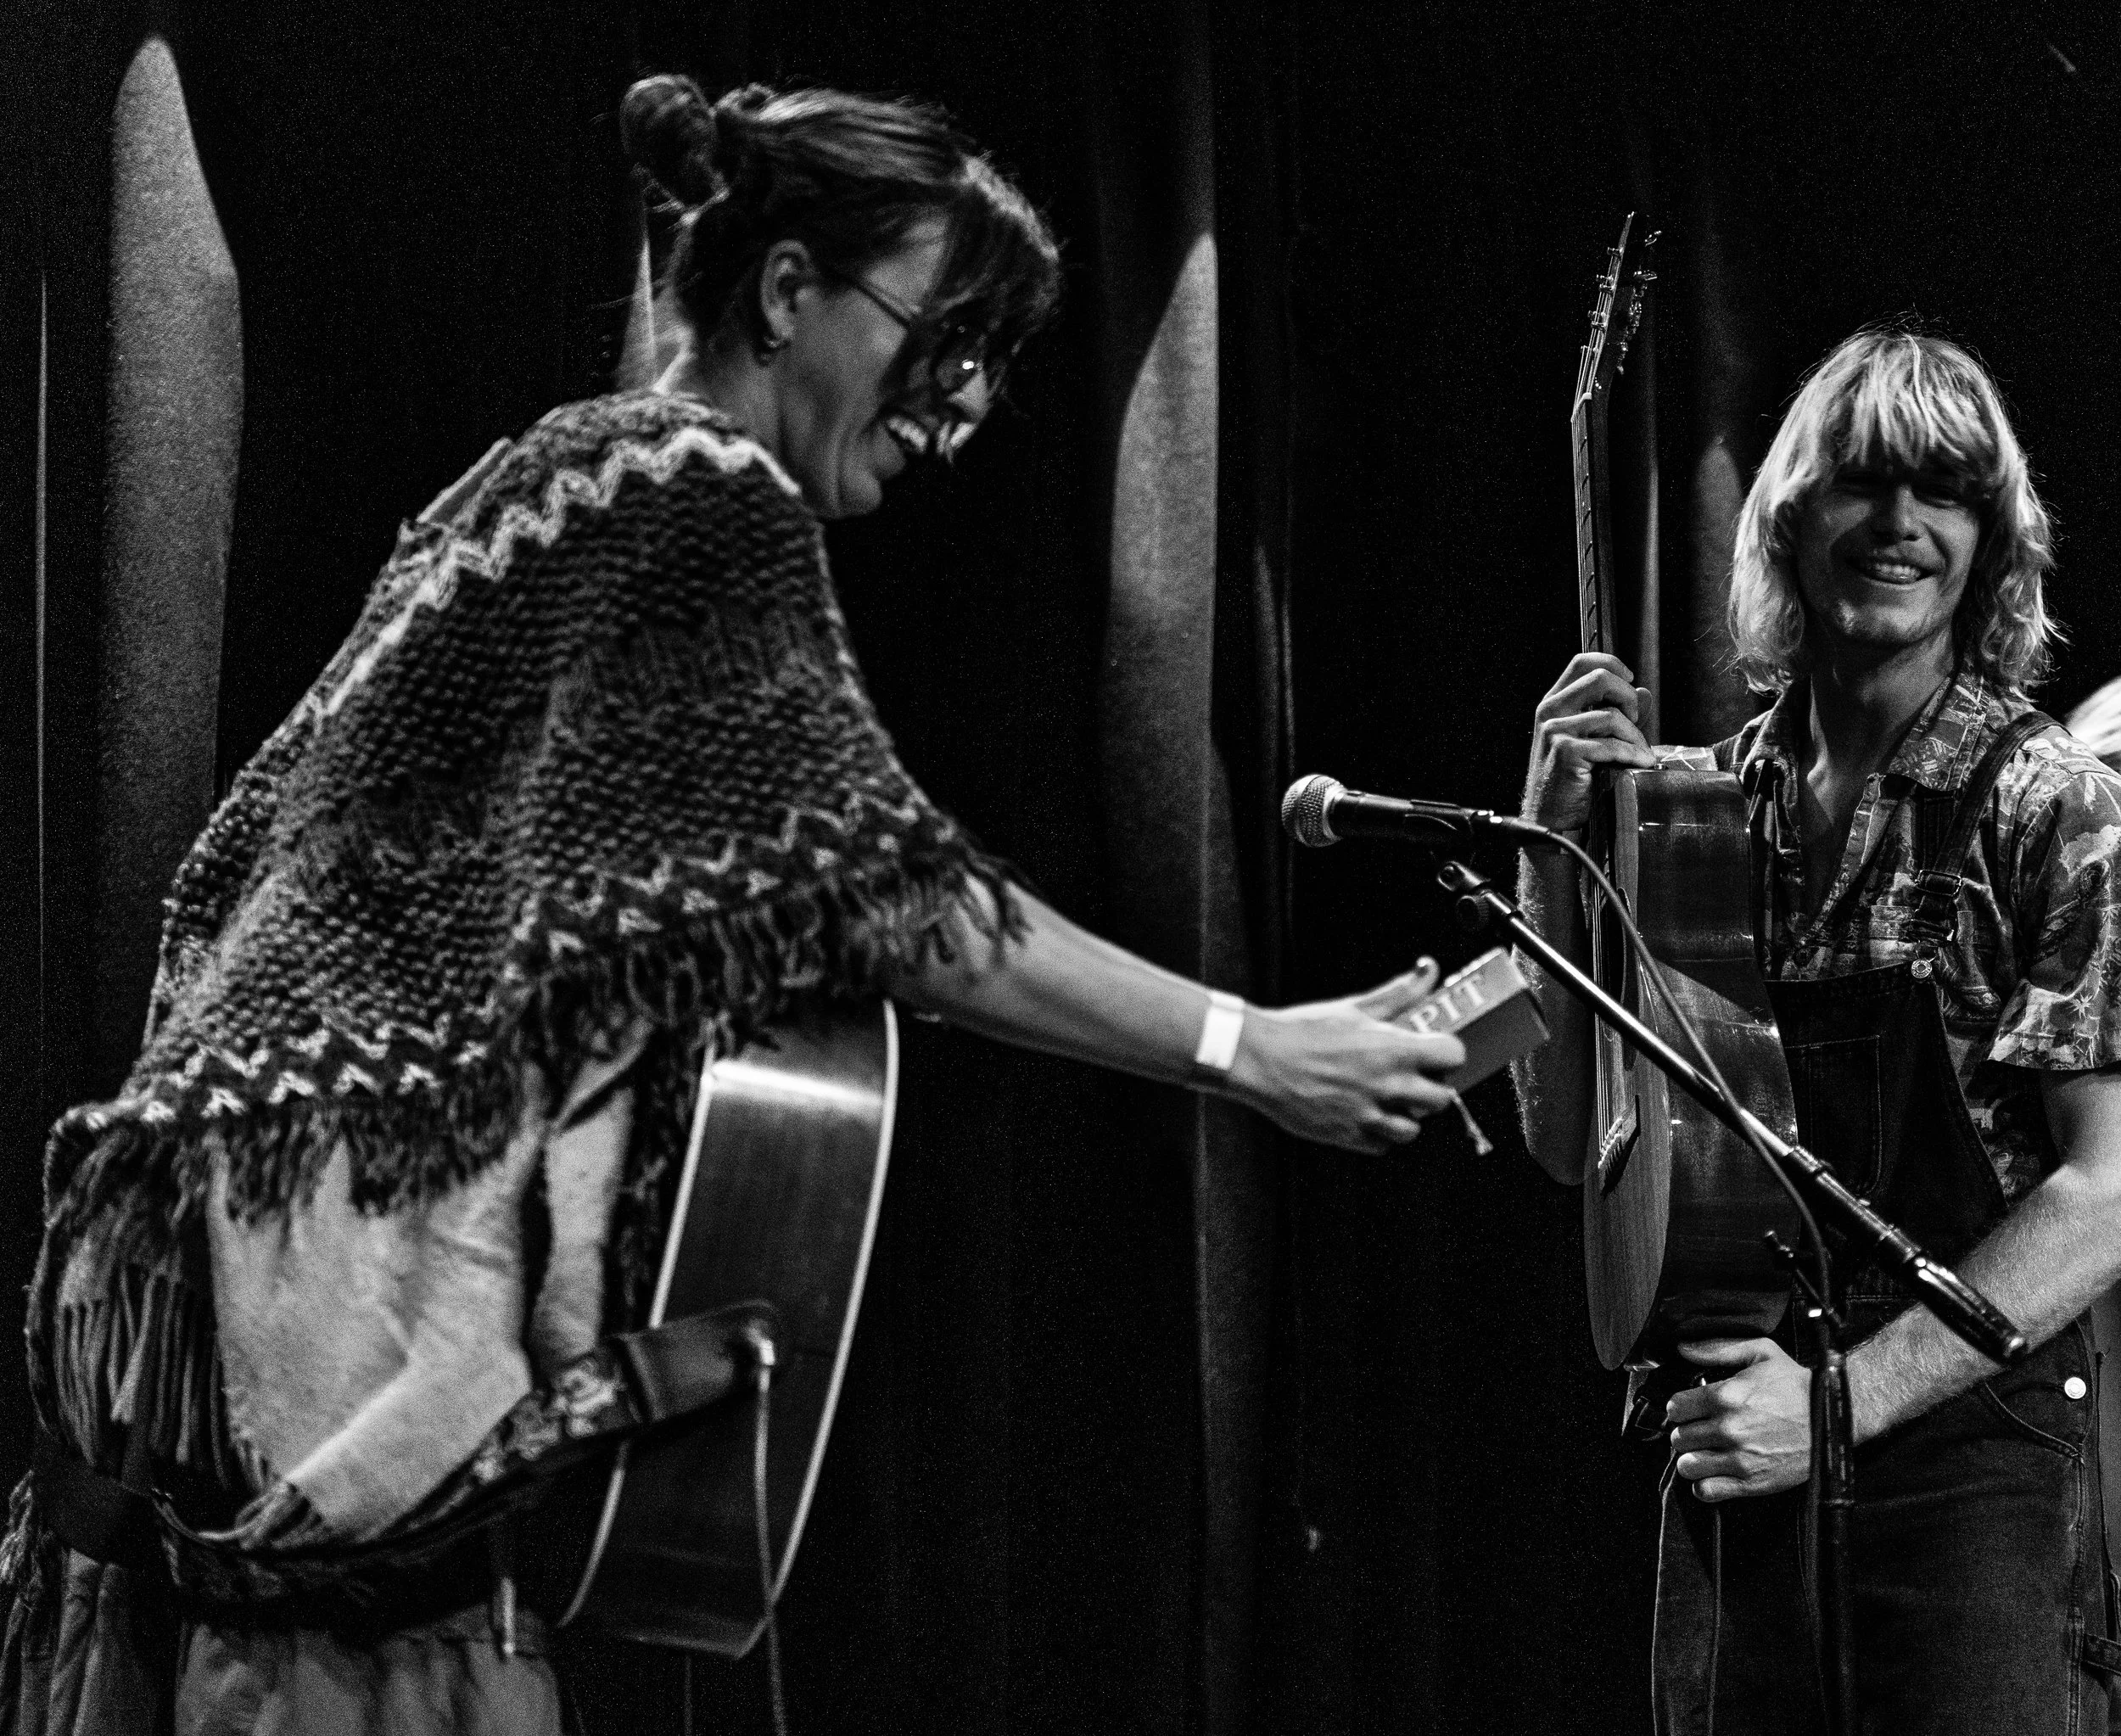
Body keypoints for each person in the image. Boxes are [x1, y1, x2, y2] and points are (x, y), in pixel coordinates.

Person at [0, 76, 1467, 1736]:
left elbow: (243, 881)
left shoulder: (551, 484)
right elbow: (888, 900)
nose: (968, 404)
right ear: (786, 292)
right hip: (359, 1348)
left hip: (271, 1322)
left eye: (995, 361)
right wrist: (1251, 1044)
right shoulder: (693, 492)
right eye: (941, 338)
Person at [1514, 327, 2121, 1734]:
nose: (1901, 526)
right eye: (1864, 485)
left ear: (1992, 543)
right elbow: (1569, 1145)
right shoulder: (1697, 808)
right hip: (1739, 1444)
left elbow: (2104, 1193)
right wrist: (1553, 853)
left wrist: (1834, 1403)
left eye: (1946, 493)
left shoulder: (2048, 803)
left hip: (1969, 1462)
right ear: (1792, 519)